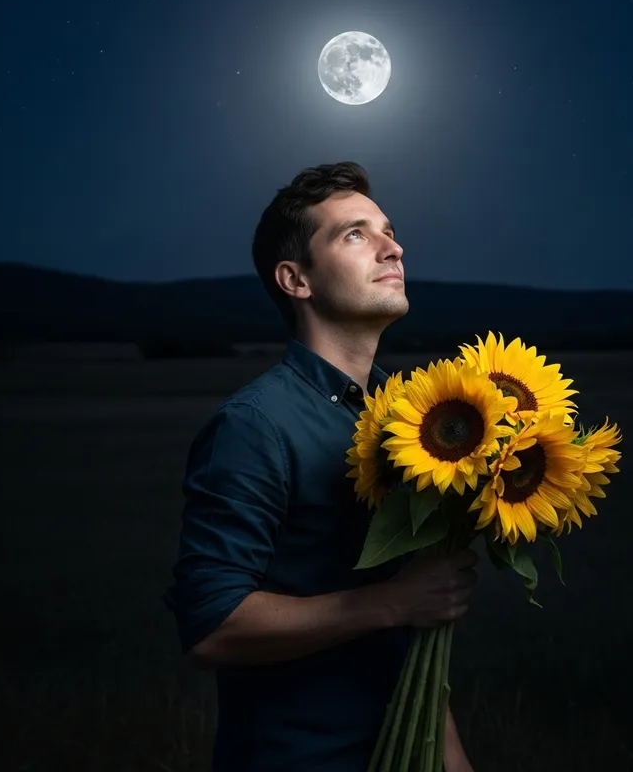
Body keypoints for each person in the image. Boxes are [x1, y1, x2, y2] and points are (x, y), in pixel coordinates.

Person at [166, 161, 478, 771]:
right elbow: (211, 626)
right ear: (296, 279)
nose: (394, 247)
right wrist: (392, 602)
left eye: (388, 229)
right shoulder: (256, 425)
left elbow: (414, 640)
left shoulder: (411, 420)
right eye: (355, 234)